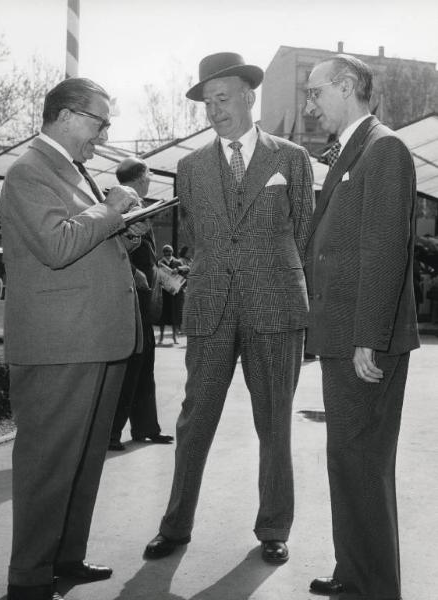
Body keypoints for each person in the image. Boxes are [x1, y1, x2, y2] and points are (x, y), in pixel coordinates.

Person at [145, 52, 314, 564]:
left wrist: (271, 274)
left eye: (223, 99)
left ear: (248, 96)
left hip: (276, 306)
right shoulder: (190, 167)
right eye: (207, 103)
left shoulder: (290, 158)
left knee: (275, 422)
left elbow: (303, 228)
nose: (215, 110)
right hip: (211, 306)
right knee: (195, 420)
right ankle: (175, 526)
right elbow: (195, 235)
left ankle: (274, 528)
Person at [1, 77, 148, 600]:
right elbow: (57, 245)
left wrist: (122, 226)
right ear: (65, 116)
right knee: (48, 466)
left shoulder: (72, 170)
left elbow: (83, 237)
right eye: (98, 121)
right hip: (61, 346)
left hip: (95, 339)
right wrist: (110, 211)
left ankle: (65, 557)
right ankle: (30, 578)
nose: (104, 133)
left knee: (83, 461)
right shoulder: (28, 172)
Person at [304, 55, 419, 599]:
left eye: (315, 91)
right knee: (346, 460)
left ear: (347, 87)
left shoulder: (384, 147)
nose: (310, 104)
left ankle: (374, 588)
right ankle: (353, 573)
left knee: (364, 463)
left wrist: (368, 336)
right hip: (345, 335)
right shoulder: (356, 149)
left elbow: (384, 250)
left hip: (362, 340)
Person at [109, 157, 174, 450]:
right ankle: (110, 433)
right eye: (148, 174)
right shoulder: (118, 203)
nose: (150, 179)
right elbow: (115, 249)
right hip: (128, 298)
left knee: (144, 363)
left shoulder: (139, 206)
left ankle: (146, 427)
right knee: (131, 365)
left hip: (143, 299)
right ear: (141, 176)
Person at [157, 244, 185, 344]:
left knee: (175, 315)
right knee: (163, 316)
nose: (168, 253)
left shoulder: (178, 262)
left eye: (170, 251)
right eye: (166, 251)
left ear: (172, 252)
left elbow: (187, 269)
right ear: (163, 252)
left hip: (174, 293)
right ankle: (161, 337)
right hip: (163, 293)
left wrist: (178, 269)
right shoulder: (159, 263)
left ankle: (174, 336)